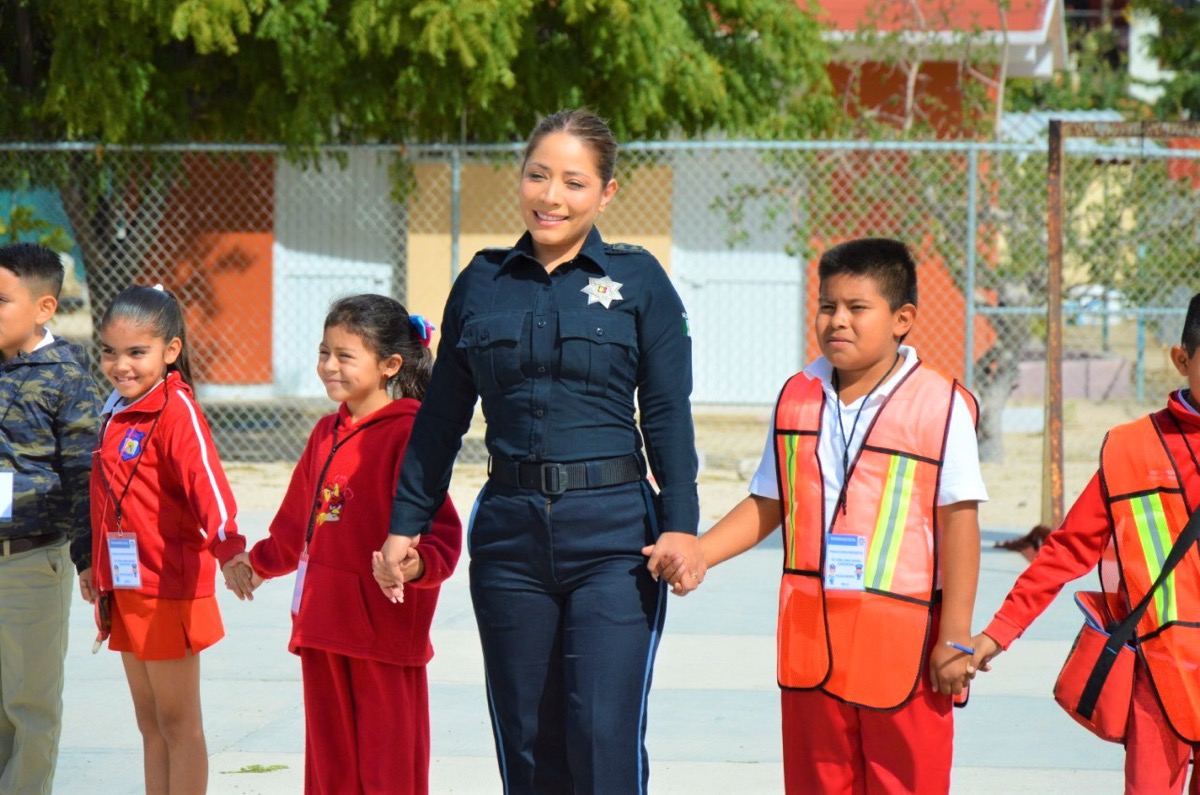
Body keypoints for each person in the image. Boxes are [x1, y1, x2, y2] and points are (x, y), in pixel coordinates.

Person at [375, 109, 701, 794]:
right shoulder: (482, 283)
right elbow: (441, 420)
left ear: (607, 193)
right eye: (538, 175)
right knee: (525, 740)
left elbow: (668, 415)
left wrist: (680, 522)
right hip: (510, 536)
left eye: (574, 182)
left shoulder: (641, 285)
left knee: (601, 734)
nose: (551, 196)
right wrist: (406, 521)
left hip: (616, 538)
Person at [661, 238, 987, 793]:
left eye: (858, 309)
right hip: (811, 637)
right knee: (817, 780)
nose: (838, 321)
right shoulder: (797, 396)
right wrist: (700, 551)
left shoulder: (941, 403)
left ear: (902, 318)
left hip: (904, 640)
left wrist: (954, 636)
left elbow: (959, 522)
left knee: (904, 781)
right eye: (828, 306)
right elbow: (770, 501)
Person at [971, 292, 1200, 794]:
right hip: (1159, 675)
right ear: (1181, 360)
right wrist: (999, 632)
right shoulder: (1133, 450)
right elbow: (1068, 549)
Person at [233, 294, 461, 795]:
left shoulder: (411, 434)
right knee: (330, 772)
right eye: (323, 352)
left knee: (389, 772)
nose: (329, 366)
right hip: (322, 628)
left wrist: (416, 565)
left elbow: (443, 533)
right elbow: (297, 523)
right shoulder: (324, 432)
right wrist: (257, 564)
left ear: (390, 366)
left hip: (384, 636)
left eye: (344, 355)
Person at [81, 285, 249, 795]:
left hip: (167, 588)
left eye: (137, 352)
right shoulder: (117, 408)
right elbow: (107, 496)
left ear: (171, 351)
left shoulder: (177, 410)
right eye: (109, 351)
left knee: (179, 726)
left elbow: (209, 487)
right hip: (126, 584)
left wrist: (229, 549)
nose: (120, 365)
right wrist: (95, 565)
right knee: (150, 725)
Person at [0, 242, 103, 794]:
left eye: (1, 301)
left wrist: (88, 561)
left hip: (32, 562)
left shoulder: (66, 378)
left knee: (30, 705)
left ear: (43, 308)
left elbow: (86, 476)